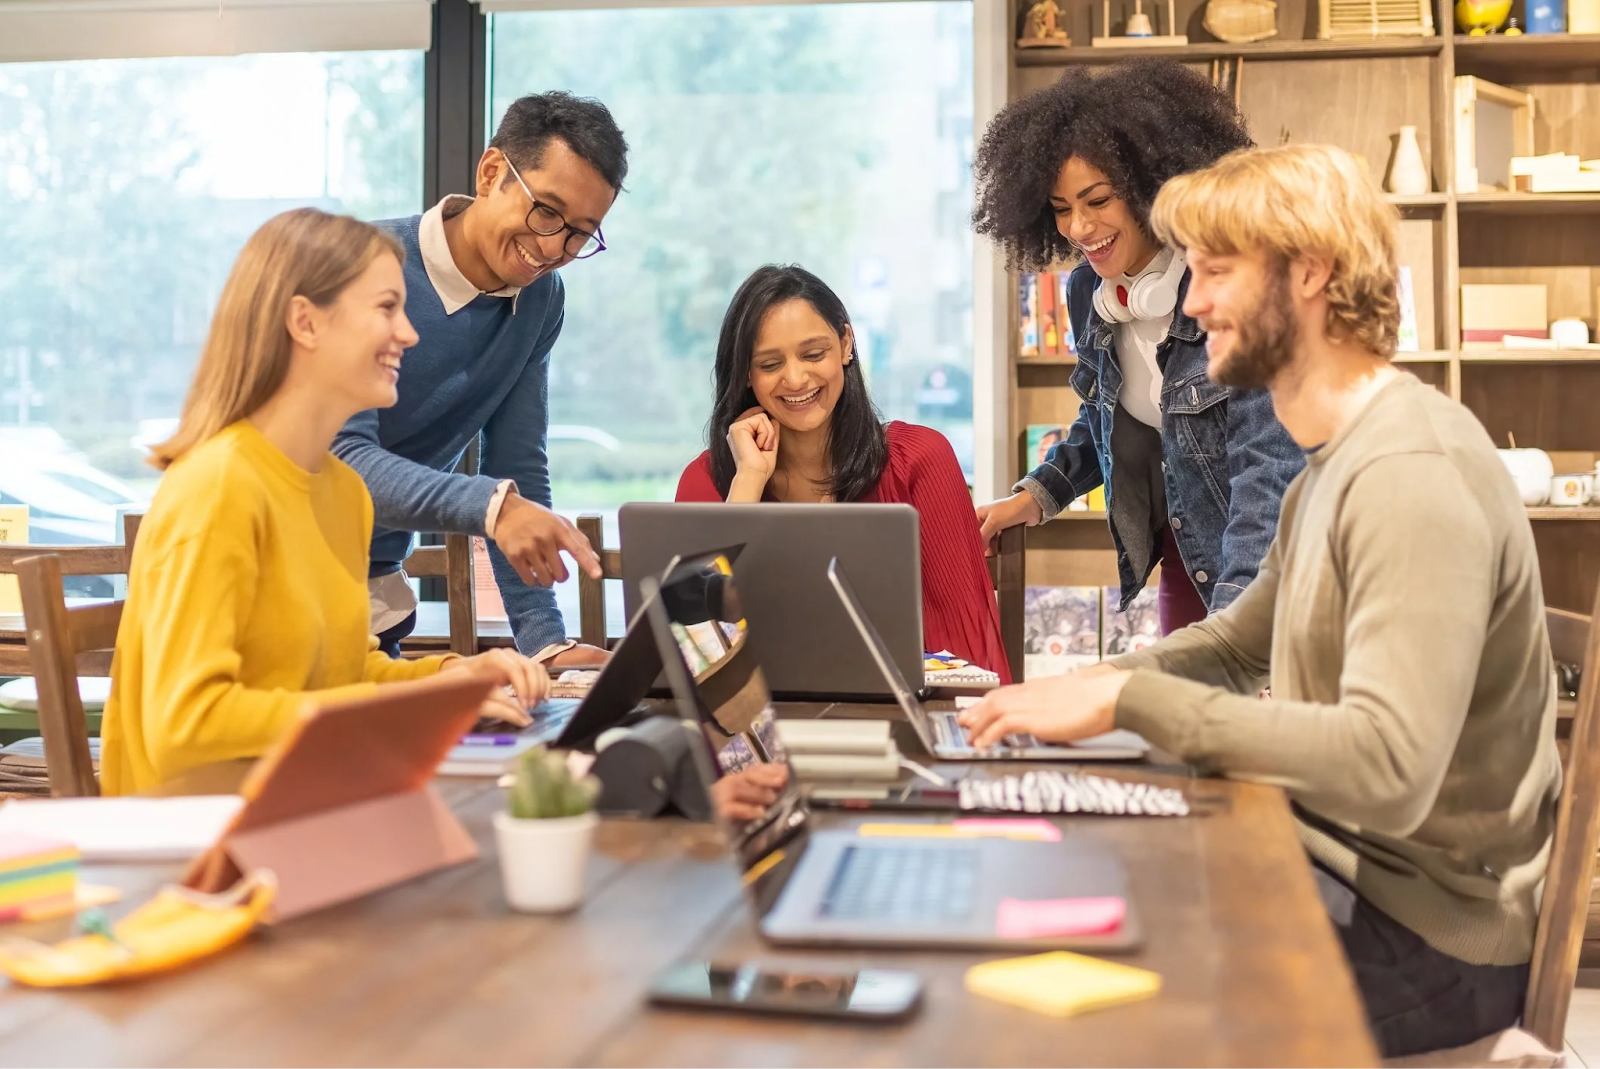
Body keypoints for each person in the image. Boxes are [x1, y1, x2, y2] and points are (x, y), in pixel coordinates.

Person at [960, 144, 1560, 1058]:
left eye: (1214, 271)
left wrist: (1129, 701)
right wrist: (1087, 686)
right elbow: (1242, 644)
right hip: (1350, 868)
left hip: (1431, 934)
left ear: (1310, 272)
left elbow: (1389, 760)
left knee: (1100, 1013)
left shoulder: (1407, 473)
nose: (1192, 304)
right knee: (1074, 912)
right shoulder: (1338, 458)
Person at [103, 209, 550, 796]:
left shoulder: (342, 494)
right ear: (305, 323)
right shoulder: (219, 487)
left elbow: (346, 675)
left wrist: (452, 679)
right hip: (195, 841)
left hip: (304, 804)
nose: (410, 334)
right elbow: (188, 723)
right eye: (387, 309)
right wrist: (400, 712)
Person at [970, 61, 1304, 635]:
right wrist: (1036, 497)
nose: (1077, 226)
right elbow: (1106, 410)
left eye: (1097, 200)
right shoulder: (1086, 291)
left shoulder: (1227, 287)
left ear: (1152, 184)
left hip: (1272, 561)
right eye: (1059, 207)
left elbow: (1266, 468)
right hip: (1189, 550)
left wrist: (1233, 630)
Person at [332, 92, 629, 667]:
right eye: (547, 211)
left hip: (374, 609)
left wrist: (545, 641)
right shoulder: (362, 263)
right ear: (492, 172)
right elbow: (343, 459)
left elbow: (515, 464)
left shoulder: (541, 299)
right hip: (282, 589)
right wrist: (495, 507)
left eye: (579, 234)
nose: (552, 248)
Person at [675, 265, 1011, 682]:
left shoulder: (921, 460)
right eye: (769, 363)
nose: (796, 378)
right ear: (746, 372)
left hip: (898, 720)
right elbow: (700, 658)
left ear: (846, 344)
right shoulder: (705, 480)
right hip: (765, 729)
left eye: (814, 354)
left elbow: (971, 655)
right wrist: (748, 482)